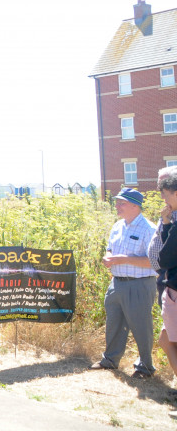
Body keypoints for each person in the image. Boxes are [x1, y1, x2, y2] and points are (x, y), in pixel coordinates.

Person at [90, 187, 157, 377]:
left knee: (141, 326)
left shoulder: (149, 229)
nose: (117, 206)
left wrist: (123, 259)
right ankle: (110, 360)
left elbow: (153, 262)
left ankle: (145, 367)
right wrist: (108, 257)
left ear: (135, 206)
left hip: (139, 284)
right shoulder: (118, 226)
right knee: (114, 323)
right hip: (117, 283)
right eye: (117, 202)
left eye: (122, 203)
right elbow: (110, 249)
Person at [149, 167, 177, 406]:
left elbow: (166, 258)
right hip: (168, 283)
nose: (163, 199)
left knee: (167, 341)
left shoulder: (174, 219)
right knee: (166, 341)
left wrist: (167, 224)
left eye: (166, 192)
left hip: (174, 286)